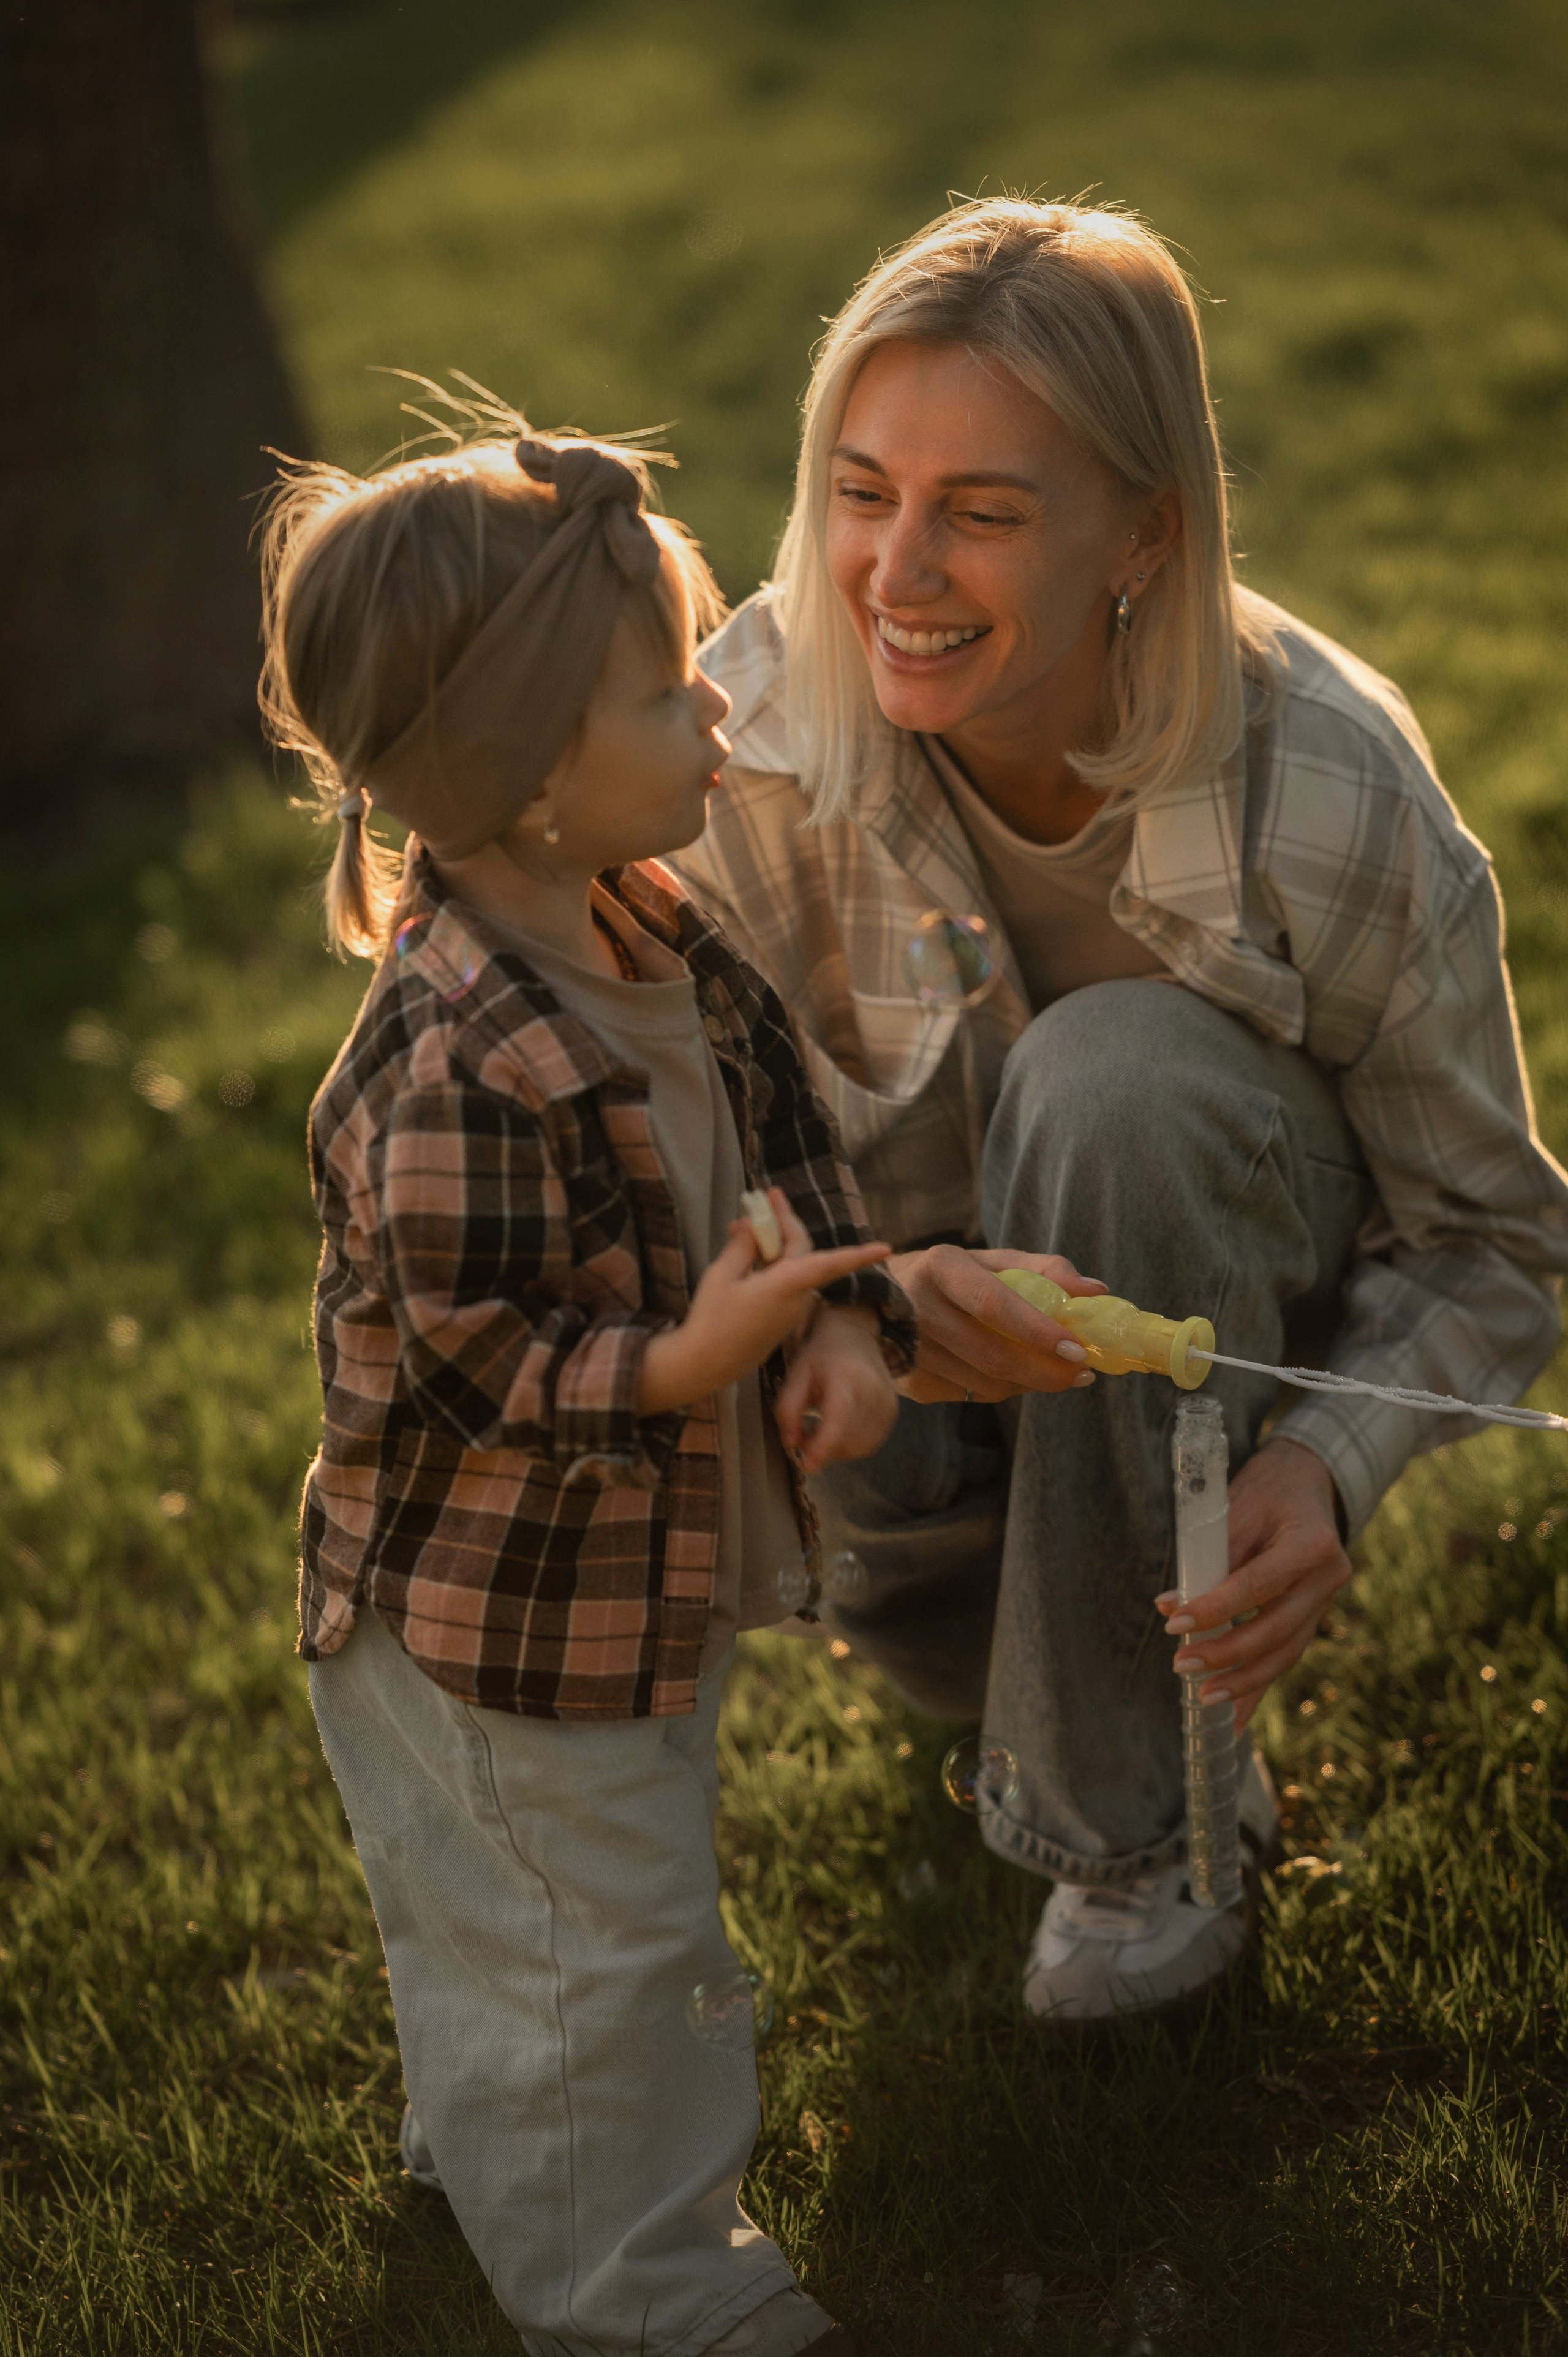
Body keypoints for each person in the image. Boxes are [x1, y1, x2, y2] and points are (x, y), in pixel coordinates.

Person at [670, 196, 1568, 2024]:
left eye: (982, 512)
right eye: (861, 491)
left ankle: (1134, 1820)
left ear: (1143, 532)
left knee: (1120, 1080)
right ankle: (979, 1678)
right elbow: (632, 1177)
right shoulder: (739, 745)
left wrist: (1328, 1462)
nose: (893, 572)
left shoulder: (1332, 789)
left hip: (1212, 1404)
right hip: (894, 1452)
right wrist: (878, 1302)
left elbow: (1501, 1245)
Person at [258, 407, 916, 2357]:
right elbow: (483, 1367)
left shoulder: (652, 923)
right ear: (530, 780)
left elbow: (790, 1131)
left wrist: (841, 1318)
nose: (716, 717)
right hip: (485, 1616)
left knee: (543, 1912)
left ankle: (498, 2119)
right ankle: (642, 2288)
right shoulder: (453, 1057)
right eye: (663, 689)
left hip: (623, 1581)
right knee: (614, 1950)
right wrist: (690, 1355)